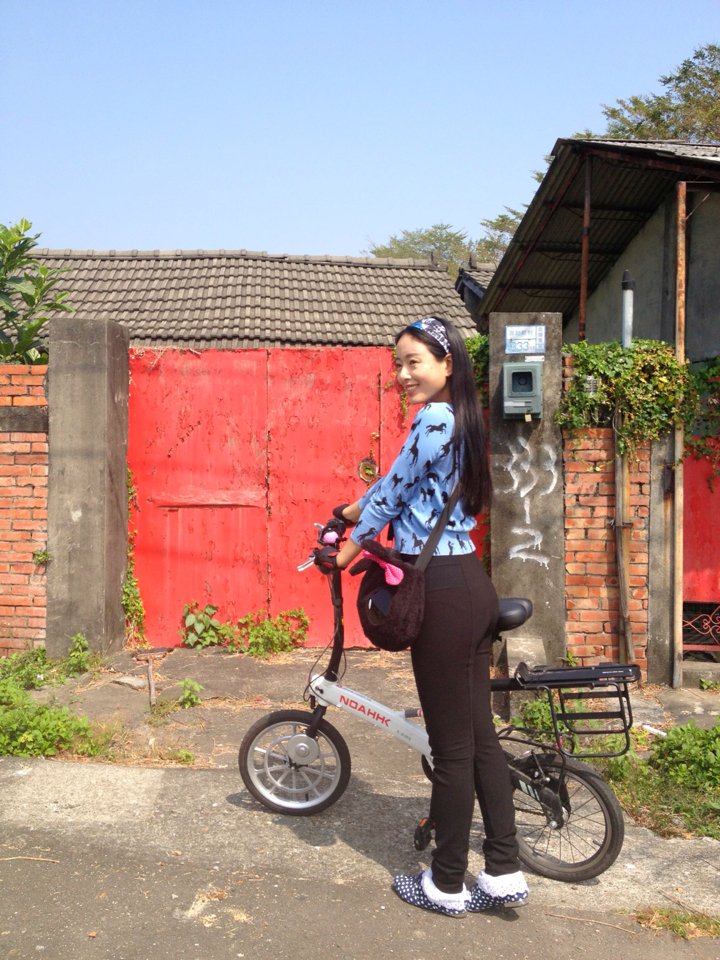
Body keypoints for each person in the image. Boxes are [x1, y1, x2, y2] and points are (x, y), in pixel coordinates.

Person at [313, 315, 529, 918]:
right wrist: (351, 509)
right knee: (479, 741)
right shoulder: (461, 419)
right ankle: (503, 869)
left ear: (447, 363)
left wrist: (342, 554)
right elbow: (399, 485)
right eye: (399, 364)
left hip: (441, 591)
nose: (404, 374)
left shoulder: (434, 418)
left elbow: (390, 495)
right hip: (468, 583)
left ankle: (446, 882)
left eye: (415, 362)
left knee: (452, 747)